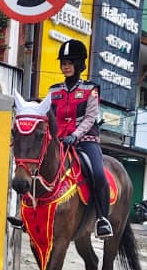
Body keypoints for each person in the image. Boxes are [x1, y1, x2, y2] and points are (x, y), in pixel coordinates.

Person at [45, 39, 113, 238]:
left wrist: (74, 136)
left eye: (70, 62)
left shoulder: (90, 90)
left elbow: (91, 117)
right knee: (36, 165)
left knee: (99, 174)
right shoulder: (53, 91)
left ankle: (102, 219)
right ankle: (26, 212)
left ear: (79, 64)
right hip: (58, 141)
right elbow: (47, 115)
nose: (66, 66)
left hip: (85, 142)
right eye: (63, 62)